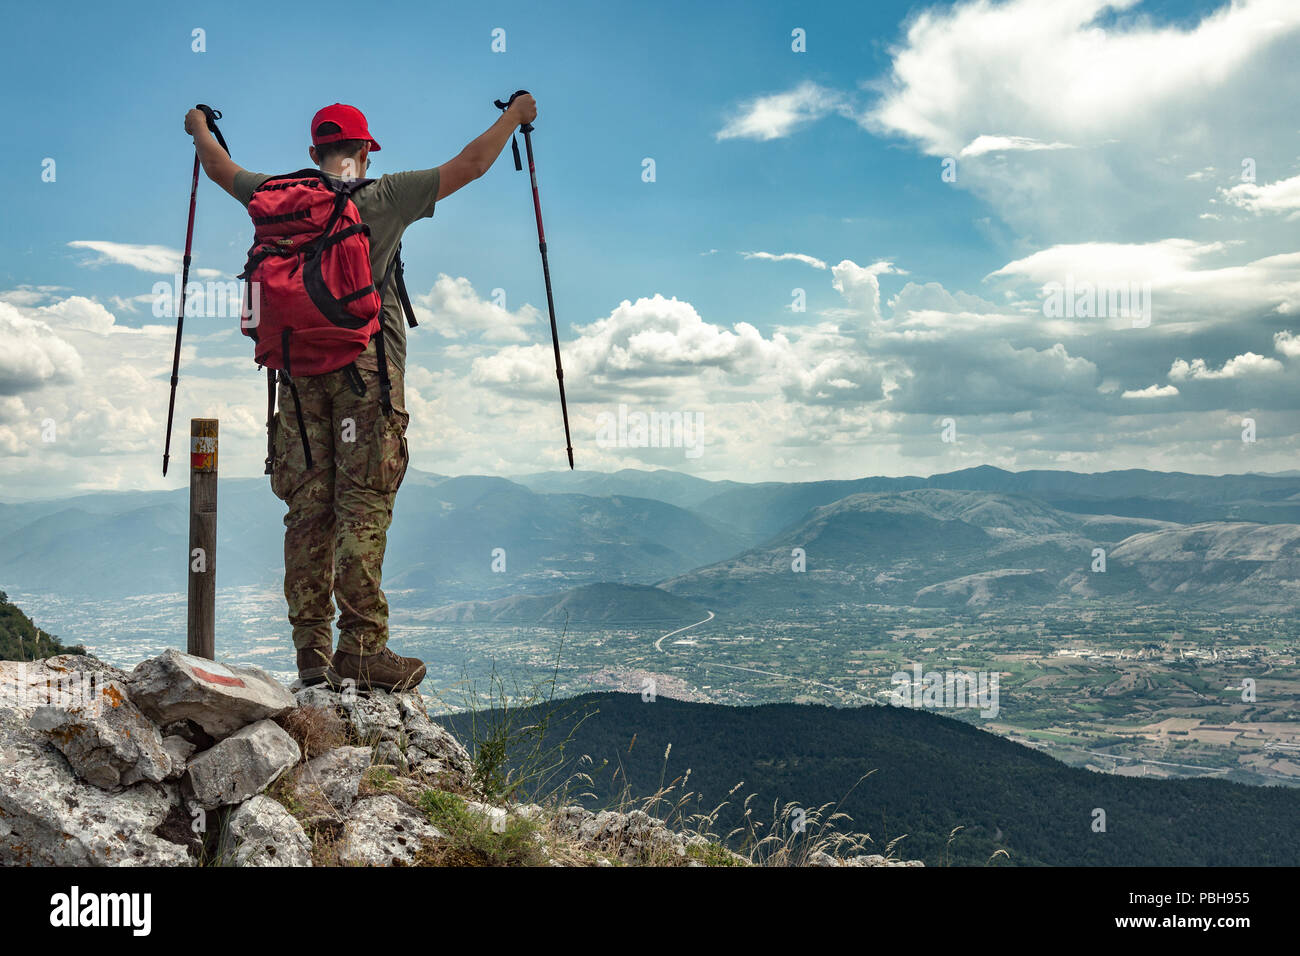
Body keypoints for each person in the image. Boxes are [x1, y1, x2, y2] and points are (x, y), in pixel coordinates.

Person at [183, 95, 538, 691]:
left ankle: (310, 654)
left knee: (308, 510)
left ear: (314, 153)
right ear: (365, 151)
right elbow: (472, 165)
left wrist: (197, 126)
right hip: (365, 376)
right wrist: (515, 116)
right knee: (363, 503)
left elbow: (218, 168)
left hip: (296, 383)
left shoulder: (273, 194)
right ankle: (365, 649)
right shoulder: (384, 197)